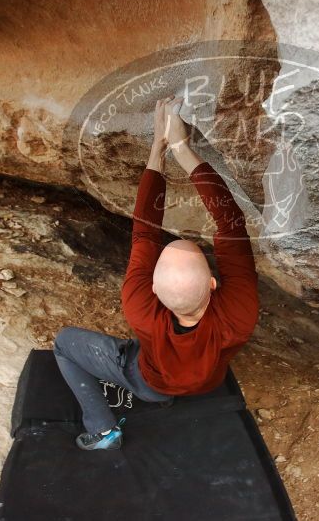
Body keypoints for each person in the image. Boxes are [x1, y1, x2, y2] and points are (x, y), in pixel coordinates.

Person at [53, 96, 259, 450]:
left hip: (151, 383)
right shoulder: (239, 315)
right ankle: (160, 397)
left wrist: (157, 149)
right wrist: (182, 148)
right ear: (213, 283)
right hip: (208, 380)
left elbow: (146, 231)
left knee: (64, 344)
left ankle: (104, 432)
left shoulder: (140, 308)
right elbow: (231, 221)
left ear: (153, 288)